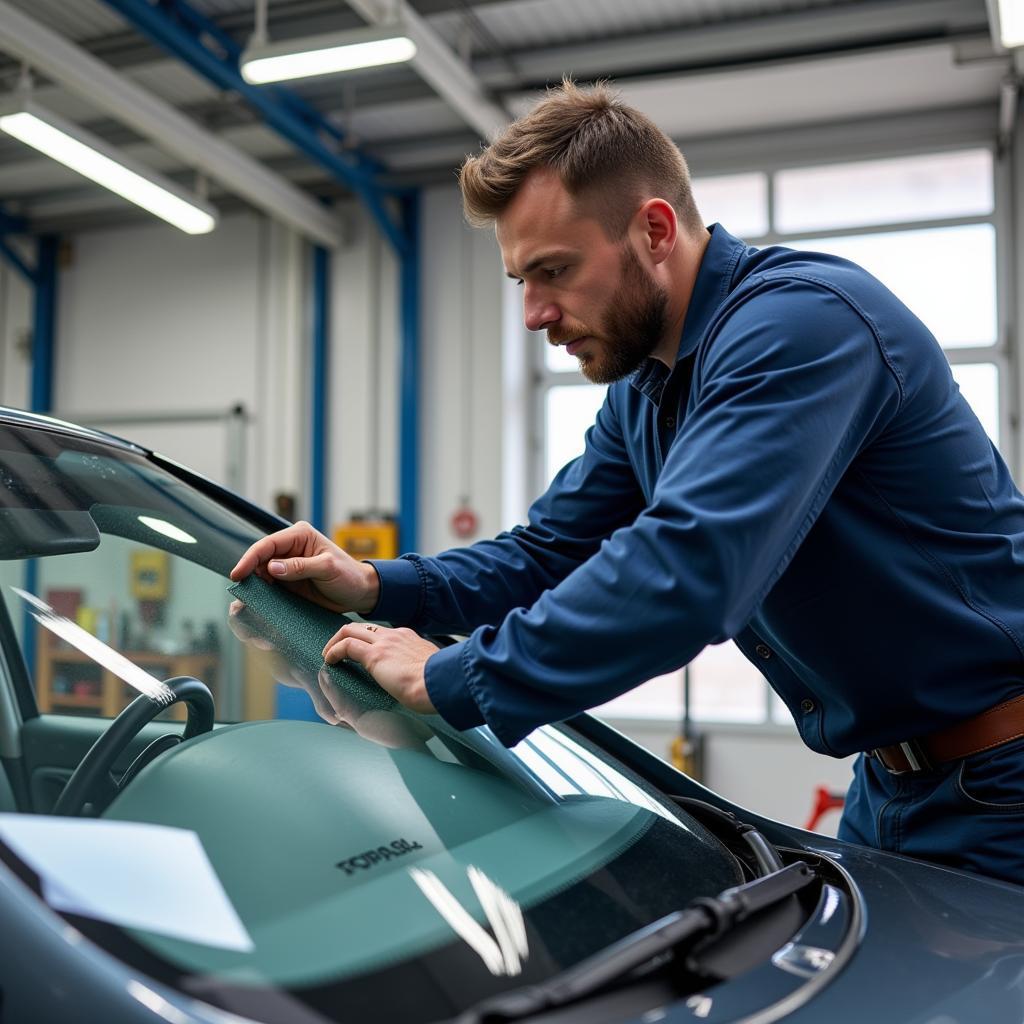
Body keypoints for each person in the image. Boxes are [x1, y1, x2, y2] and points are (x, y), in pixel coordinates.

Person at [232, 80, 1024, 884]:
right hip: (889, 784)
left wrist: (450, 676)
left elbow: (687, 571)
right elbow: (550, 552)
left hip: (1005, 783)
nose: (535, 314)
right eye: (520, 282)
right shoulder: (646, 390)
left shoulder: (801, 326)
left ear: (653, 230)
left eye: (555, 270)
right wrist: (375, 584)